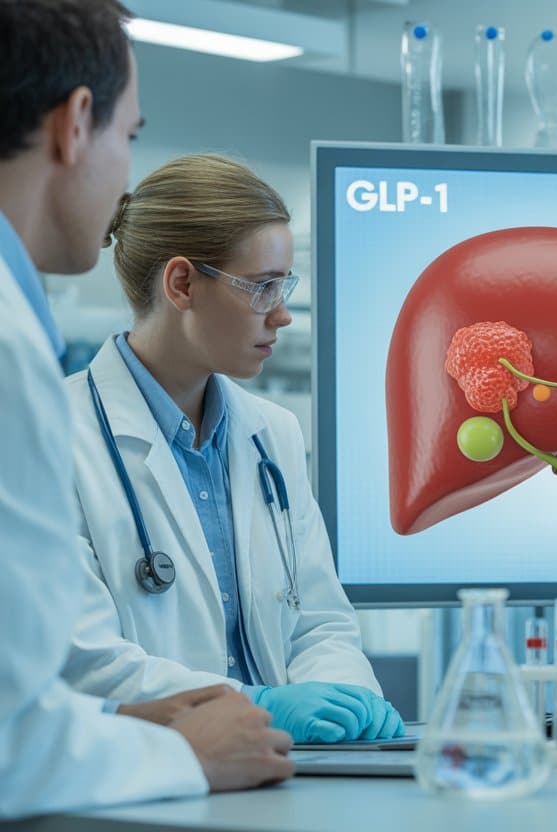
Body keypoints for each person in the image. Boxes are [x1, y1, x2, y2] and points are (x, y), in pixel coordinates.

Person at [0, 0, 293, 817]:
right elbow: (11, 740)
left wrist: (126, 720)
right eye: (130, 136)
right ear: (76, 122)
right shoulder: (9, 351)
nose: (126, 175)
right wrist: (177, 748)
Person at [59, 153, 405, 745]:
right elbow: (85, 659)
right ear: (182, 283)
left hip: (283, 773)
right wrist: (258, 705)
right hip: (153, 773)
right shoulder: (56, 435)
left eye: (284, 285)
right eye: (263, 287)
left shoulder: (273, 434)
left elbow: (320, 621)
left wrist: (346, 701)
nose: (283, 314)